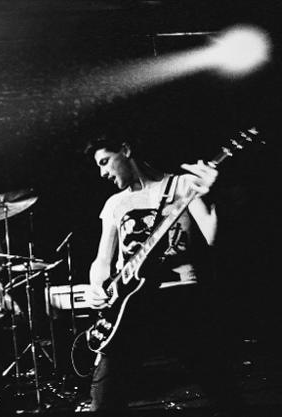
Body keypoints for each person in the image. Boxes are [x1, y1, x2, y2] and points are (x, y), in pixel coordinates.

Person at [82, 133, 241, 412]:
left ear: (126, 150)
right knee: (104, 401)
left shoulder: (182, 185)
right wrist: (96, 286)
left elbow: (212, 237)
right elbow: (103, 260)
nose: (102, 173)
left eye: (105, 162)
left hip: (181, 295)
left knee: (222, 391)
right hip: (129, 306)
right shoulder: (114, 204)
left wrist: (215, 194)